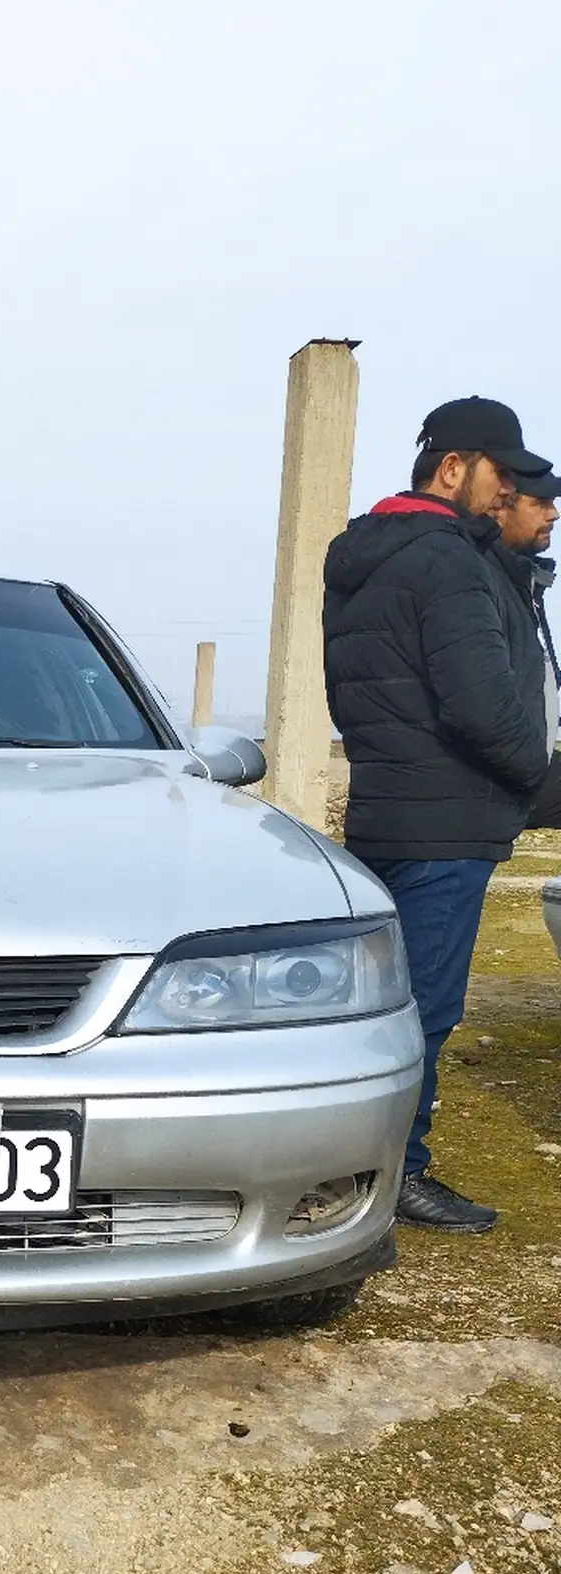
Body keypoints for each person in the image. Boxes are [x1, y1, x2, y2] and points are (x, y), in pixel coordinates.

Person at [324, 397, 552, 1234]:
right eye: (504, 475)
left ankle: (348, 1163)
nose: (512, 498)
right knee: (424, 1011)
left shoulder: (362, 554)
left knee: (376, 1007)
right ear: (452, 467)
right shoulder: (448, 559)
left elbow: (358, 694)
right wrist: (541, 782)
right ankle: (396, 1177)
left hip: (387, 805)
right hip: (447, 822)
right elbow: (483, 709)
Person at [490, 469, 561, 830]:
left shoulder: (522, 581)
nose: (554, 513)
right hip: (489, 785)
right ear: (501, 508)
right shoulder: (484, 580)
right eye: (540, 503)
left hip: (522, 770)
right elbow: (480, 701)